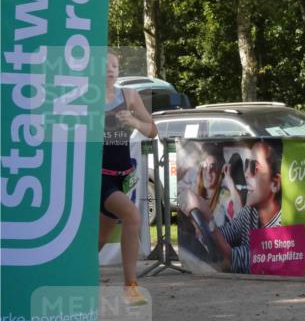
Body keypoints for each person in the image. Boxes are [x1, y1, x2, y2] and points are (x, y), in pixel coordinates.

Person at [100, 51, 158, 305]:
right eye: (104, 66)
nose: (111, 69)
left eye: (114, 64)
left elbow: (152, 130)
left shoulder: (129, 96)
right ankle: (130, 287)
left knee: (99, 240)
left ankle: (69, 276)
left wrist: (134, 121)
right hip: (99, 176)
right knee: (133, 216)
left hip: (124, 175)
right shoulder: (85, 99)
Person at [180, 139, 282, 273]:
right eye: (247, 165)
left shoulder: (282, 228)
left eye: (255, 168)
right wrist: (199, 224)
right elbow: (224, 235)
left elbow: (233, 259)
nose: (246, 174)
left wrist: (208, 218)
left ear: (275, 184)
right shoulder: (250, 213)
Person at [195, 143, 243, 228]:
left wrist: (230, 182)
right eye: (205, 166)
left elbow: (239, 217)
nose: (208, 171)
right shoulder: (195, 193)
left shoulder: (223, 195)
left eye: (213, 167)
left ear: (219, 172)